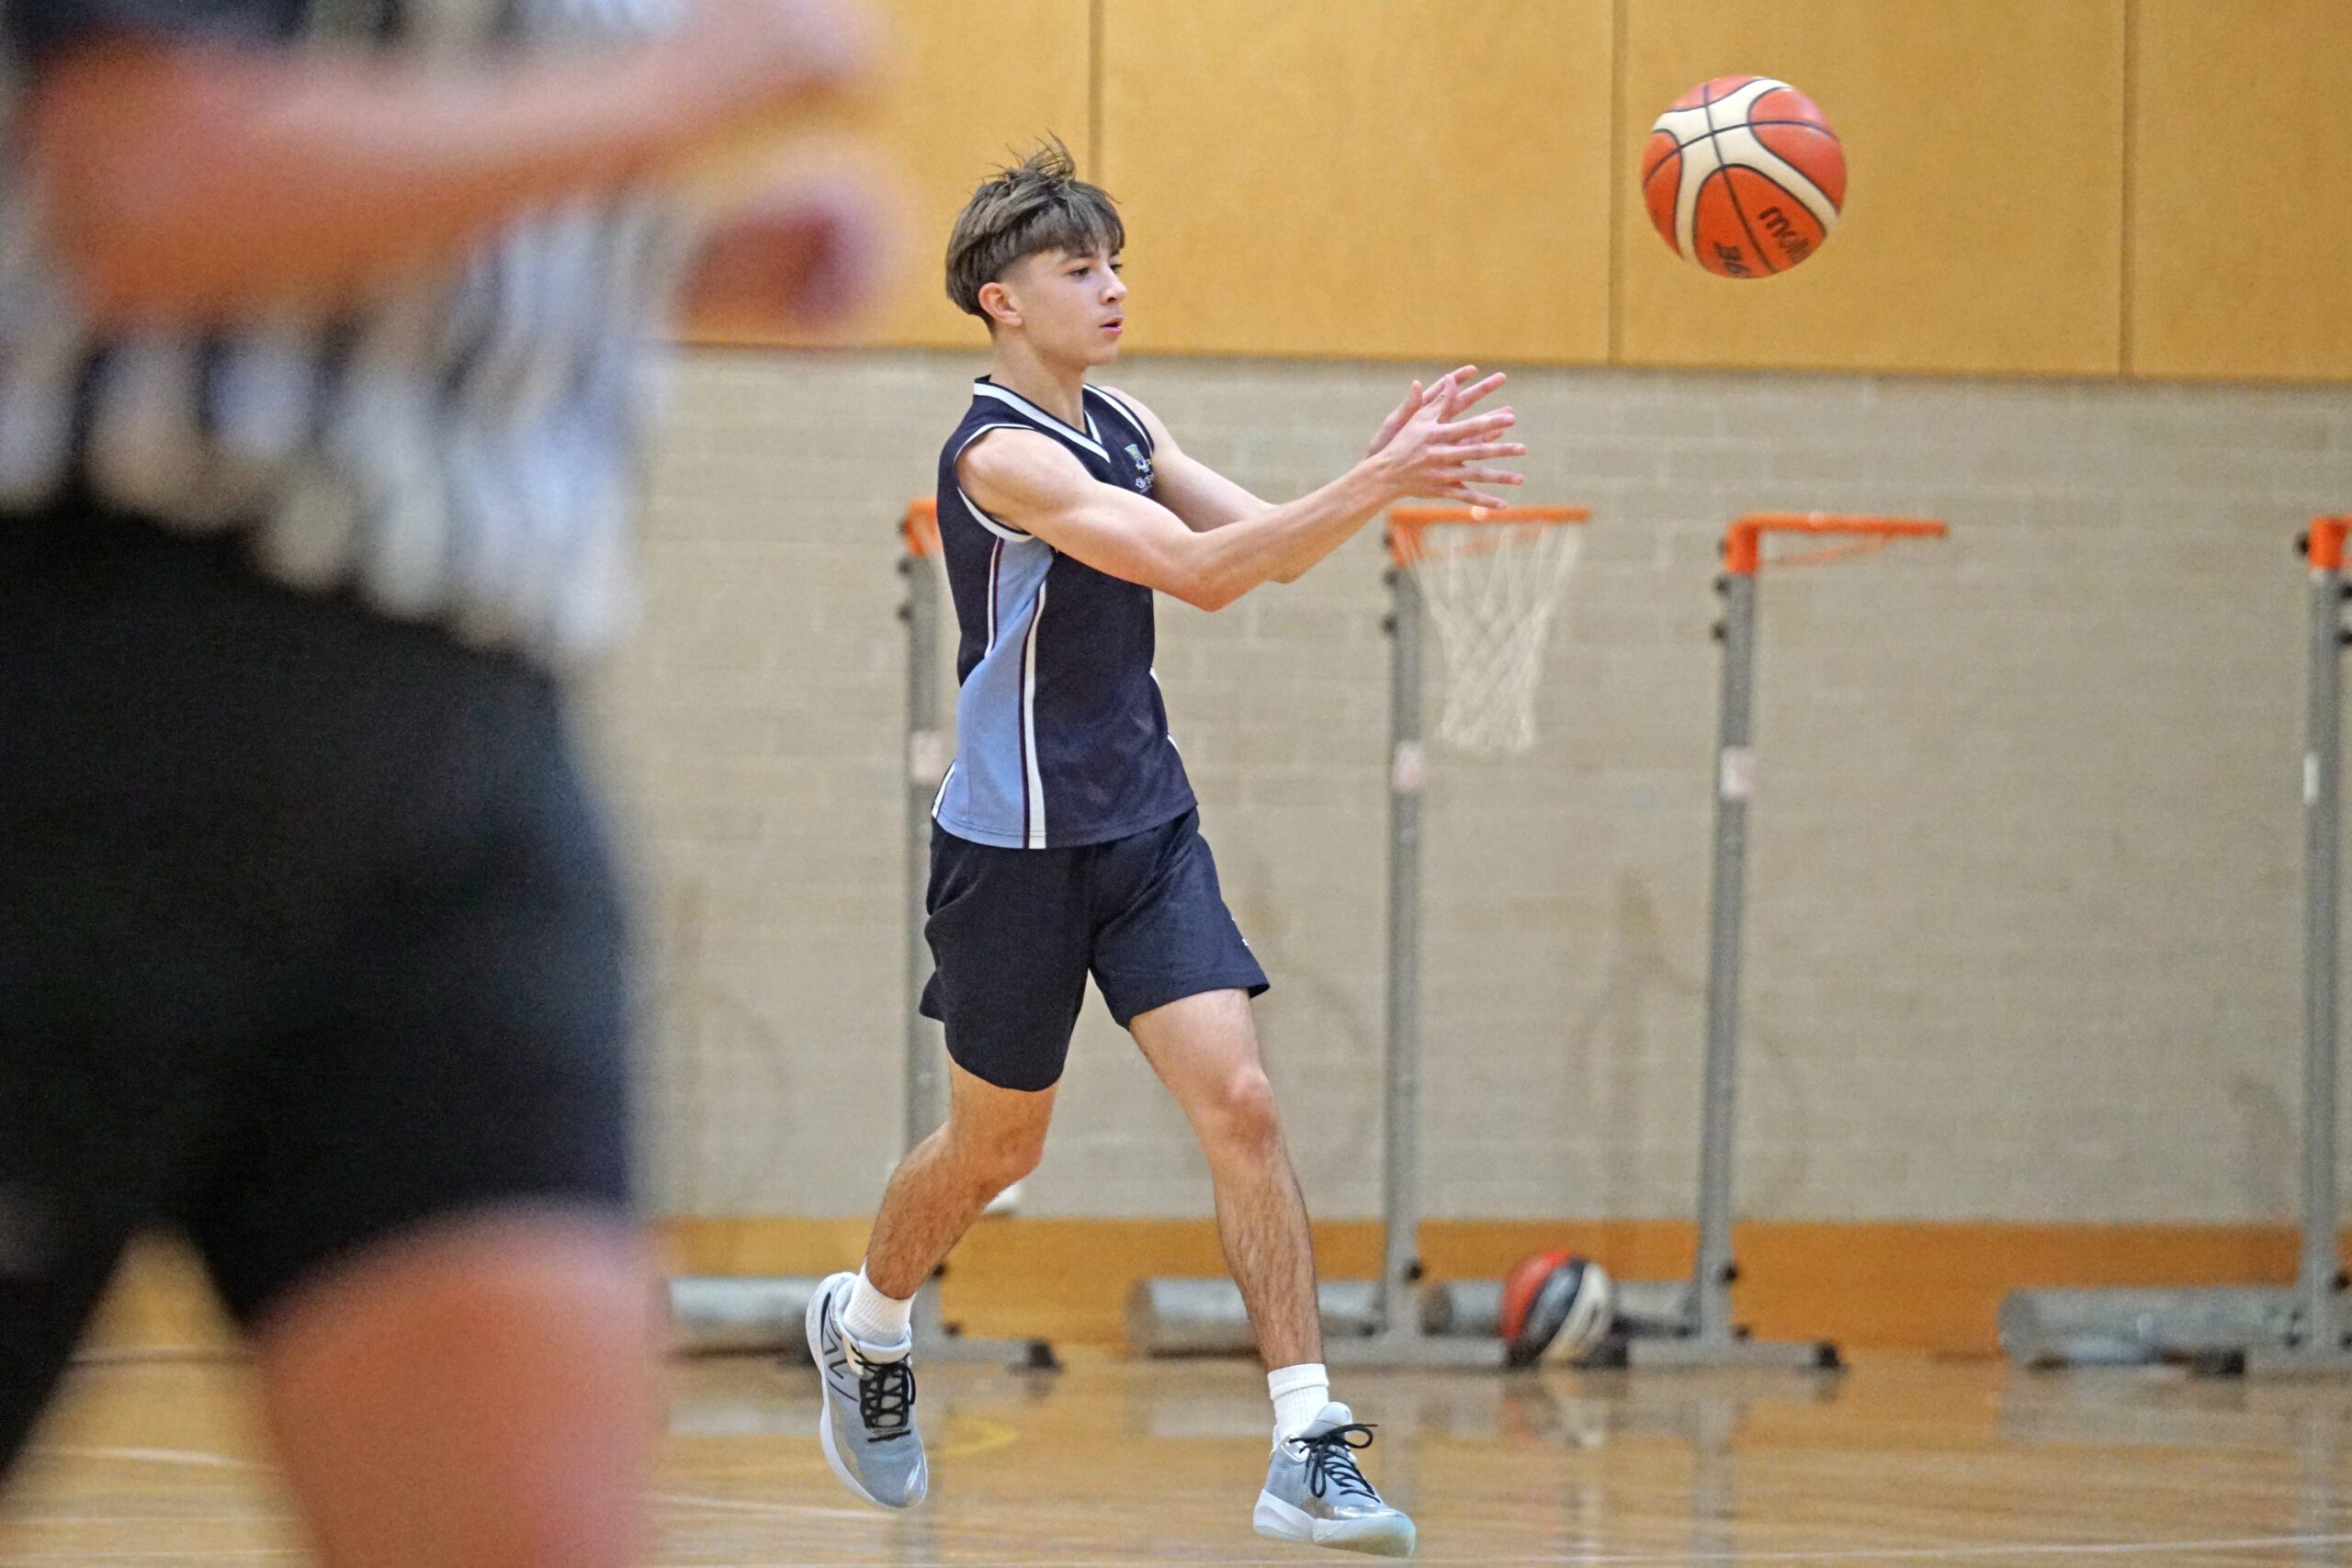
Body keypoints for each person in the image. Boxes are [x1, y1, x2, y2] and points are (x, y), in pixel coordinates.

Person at [0, 0, 891, 1562]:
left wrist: (641, 266)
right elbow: (144, 185)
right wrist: (680, 90)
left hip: (471, 748)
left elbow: (359, 215)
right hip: (95, 696)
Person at [803, 141, 1523, 1560]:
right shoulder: (1001, 456)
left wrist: (1375, 482)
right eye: (1080, 268)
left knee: (1241, 1101)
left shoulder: (1126, 421)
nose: (1113, 287)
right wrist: (1376, 476)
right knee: (998, 1147)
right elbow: (1197, 576)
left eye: (1116, 263)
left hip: (1144, 827)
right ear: (1003, 300)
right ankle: (867, 1320)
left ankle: (1307, 1442)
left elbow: (1267, 549)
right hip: (1014, 851)